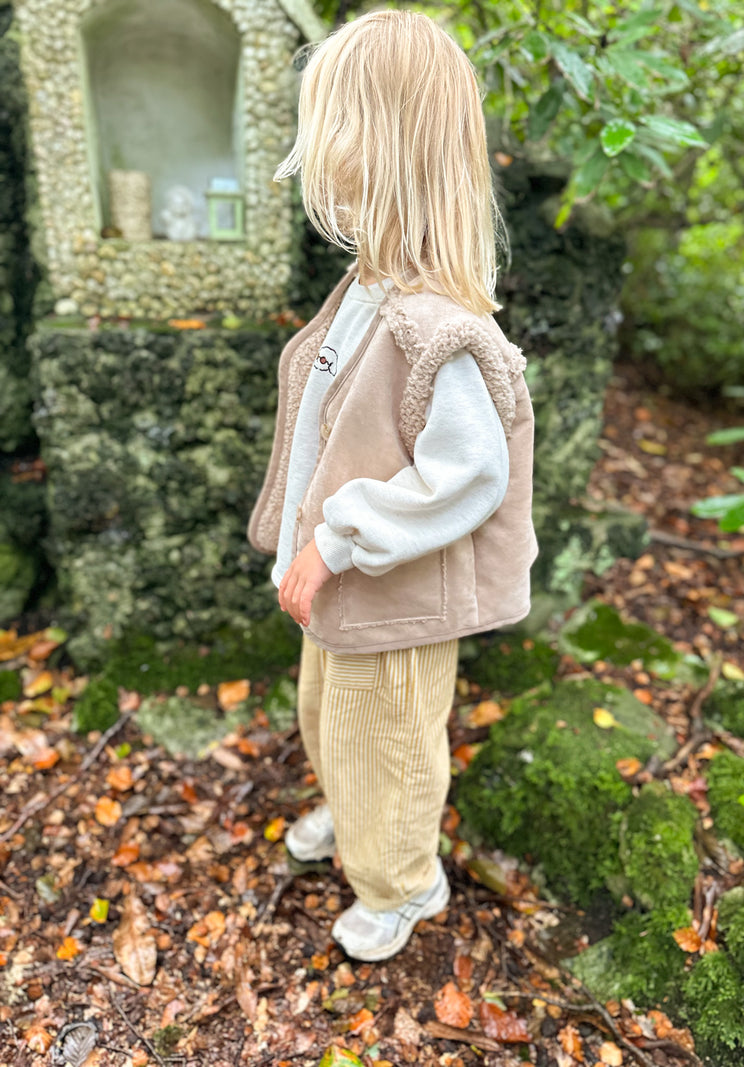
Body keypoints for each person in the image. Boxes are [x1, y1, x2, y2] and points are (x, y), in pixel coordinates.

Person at [247, 9, 537, 962]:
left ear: (382, 150)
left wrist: (337, 537)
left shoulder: (433, 325)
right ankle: (353, 812)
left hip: (394, 594)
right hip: (346, 587)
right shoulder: (373, 289)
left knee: (394, 739)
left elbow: (469, 472)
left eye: (333, 132)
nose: (317, 158)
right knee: (331, 714)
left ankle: (402, 879)